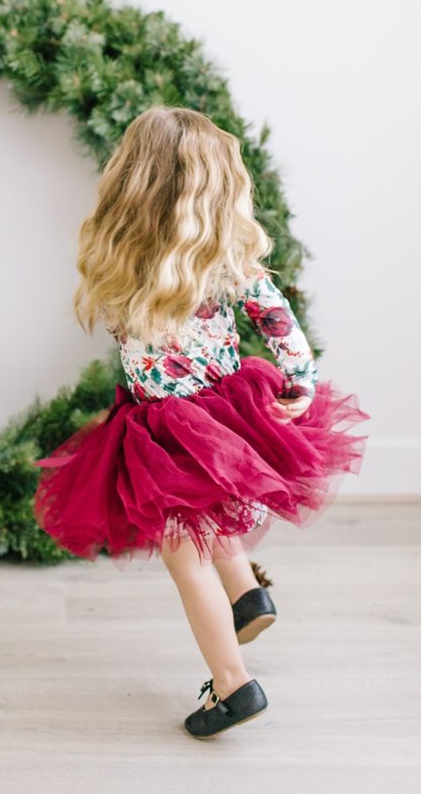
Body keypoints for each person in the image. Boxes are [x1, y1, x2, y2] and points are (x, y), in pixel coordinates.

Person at [32, 105, 370, 739]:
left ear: (132, 183)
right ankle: (245, 594)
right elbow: (279, 324)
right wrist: (299, 382)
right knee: (208, 520)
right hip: (223, 414)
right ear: (216, 186)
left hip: (165, 430)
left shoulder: (120, 258)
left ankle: (233, 684)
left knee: (185, 558)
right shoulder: (225, 258)